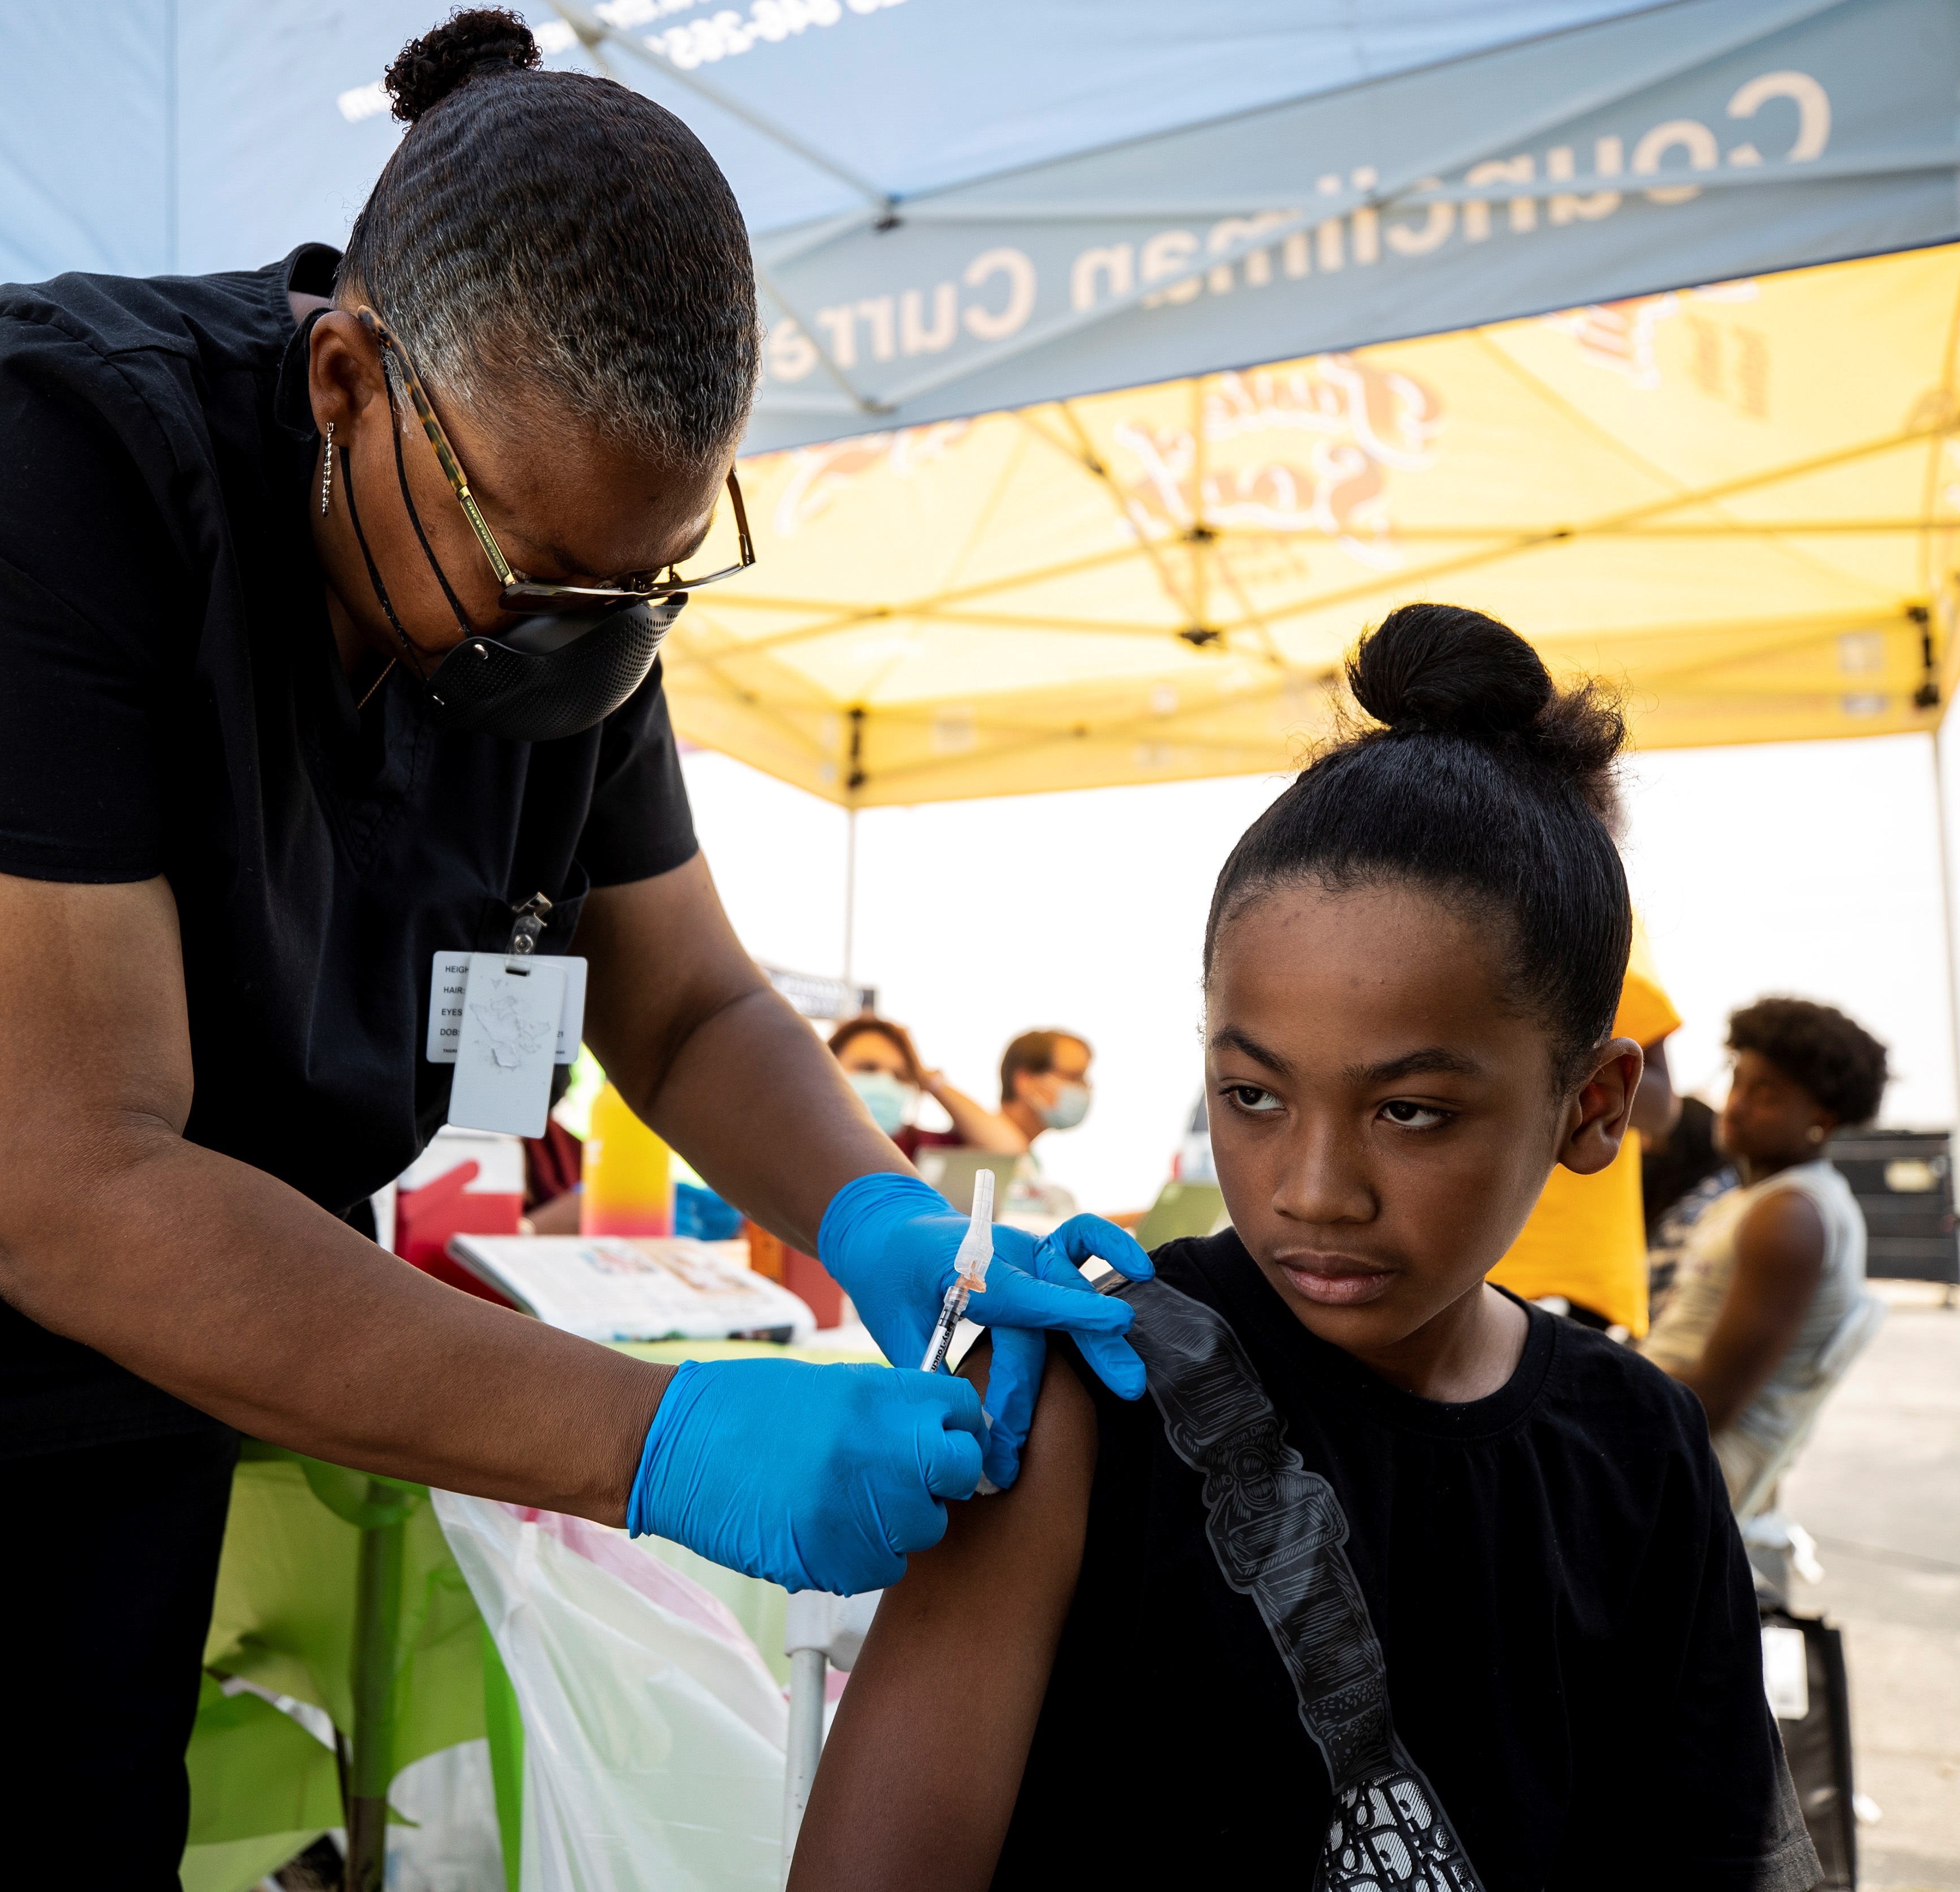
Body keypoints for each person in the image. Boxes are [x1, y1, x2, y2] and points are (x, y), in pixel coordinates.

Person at [0, 15, 1150, 1877]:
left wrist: (884, 1215)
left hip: (102, 1385)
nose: (576, 644)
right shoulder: (14, 463)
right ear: (344, 381)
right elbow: (48, 1179)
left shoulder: (541, 588)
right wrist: (667, 1443)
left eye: (641, 582)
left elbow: (694, 992)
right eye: (534, 570)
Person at [791, 605, 1814, 1890]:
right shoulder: (1086, 1392)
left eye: (1410, 1112)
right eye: (1254, 1096)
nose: (1315, 1190)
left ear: (1593, 1107)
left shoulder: (1639, 1450)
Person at [1643, 998, 1885, 1517]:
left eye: (1767, 1095)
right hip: (1664, 1429)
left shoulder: (1790, 1217)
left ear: (1819, 1117)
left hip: (1693, 1463)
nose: (1737, 1105)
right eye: (1738, 1083)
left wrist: (1585, 1384)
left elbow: (1712, 1403)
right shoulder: (1757, 1198)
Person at [1485, 933, 1682, 1336]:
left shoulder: (1587, 896)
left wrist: (1533, 1054)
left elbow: (1659, 1101)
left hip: (1560, 1277)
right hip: (1458, 1258)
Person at [829, 1013, 1025, 1157]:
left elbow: (1007, 1149)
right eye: (868, 1068)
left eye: (899, 1075)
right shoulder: (804, 1144)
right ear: (826, 1067)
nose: (885, 1082)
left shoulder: (912, 1145)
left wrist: (928, 1080)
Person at [996, 1029, 1094, 1150]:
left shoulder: (1023, 1160)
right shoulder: (974, 1149)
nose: (1083, 1088)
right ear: (1025, 1080)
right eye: (1074, 1077)